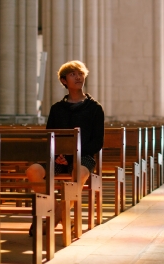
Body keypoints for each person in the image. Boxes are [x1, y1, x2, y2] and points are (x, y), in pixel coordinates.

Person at [25, 60, 105, 235]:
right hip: (58, 157)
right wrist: (59, 153)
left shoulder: (95, 108)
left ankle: (53, 217)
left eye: (80, 74)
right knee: (33, 171)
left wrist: (74, 154)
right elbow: (50, 136)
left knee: (80, 173)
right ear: (63, 81)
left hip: (83, 157)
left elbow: (97, 142)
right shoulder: (57, 108)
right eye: (73, 74)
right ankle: (60, 214)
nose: (78, 77)